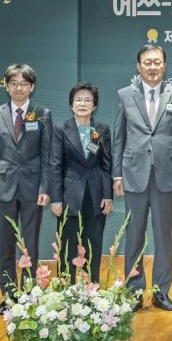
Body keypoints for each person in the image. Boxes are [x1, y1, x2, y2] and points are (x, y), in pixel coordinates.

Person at [112, 44, 172, 311]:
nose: (153, 67)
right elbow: (119, 138)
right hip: (134, 174)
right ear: (138, 66)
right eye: (147, 62)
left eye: (157, 62)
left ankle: (160, 291)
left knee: (163, 236)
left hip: (166, 174)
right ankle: (134, 291)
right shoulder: (125, 95)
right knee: (134, 235)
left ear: (164, 65)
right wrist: (116, 174)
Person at [0, 64, 52, 314]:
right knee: (6, 246)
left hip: (33, 188)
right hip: (3, 188)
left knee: (30, 245)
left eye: (23, 84)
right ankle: (9, 296)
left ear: (32, 86)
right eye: (13, 83)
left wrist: (45, 187)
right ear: (6, 86)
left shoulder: (42, 114)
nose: (18, 88)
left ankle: (30, 294)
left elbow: (47, 155)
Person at [49, 83, 113, 283]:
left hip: (95, 197)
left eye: (87, 100)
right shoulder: (61, 129)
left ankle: (91, 290)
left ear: (94, 105)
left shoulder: (101, 129)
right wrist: (55, 199)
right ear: (71, 104)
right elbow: (55, 165)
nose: (83, 104)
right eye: (78, 100)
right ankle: (65, 290)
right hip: (69, 197)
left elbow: (106, 164)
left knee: (92, 246)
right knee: (67, 248)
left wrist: (107, 195)